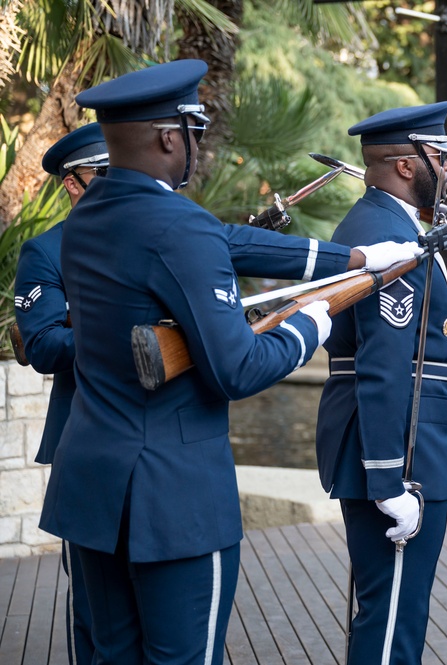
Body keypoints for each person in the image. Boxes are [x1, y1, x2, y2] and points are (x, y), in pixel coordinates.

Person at [36, 60, 420, 664]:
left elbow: (225, 241)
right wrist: (313, 319)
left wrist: (355, 257)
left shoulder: (88, 218)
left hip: (92, 490)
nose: (197, 145)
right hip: (173, 502)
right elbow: (237, 370)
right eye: (196, 131)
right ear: (171, 136)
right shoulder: (176, 225)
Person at [314, 102, 447, 665]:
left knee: (398, 608)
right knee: (393, 614)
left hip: (408, 443)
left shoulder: (392, 227)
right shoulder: (384, 237)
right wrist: (387, 481)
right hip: (401, 452)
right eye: (441, 158)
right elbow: (383, 366)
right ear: (407, 164)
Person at [13, 122, 108, 665]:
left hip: (165, 442)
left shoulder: (160, 237)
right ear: (74, 184)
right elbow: (45, 348)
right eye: (107, 175)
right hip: (86, 440)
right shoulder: (47, 252)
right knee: (96, 611)